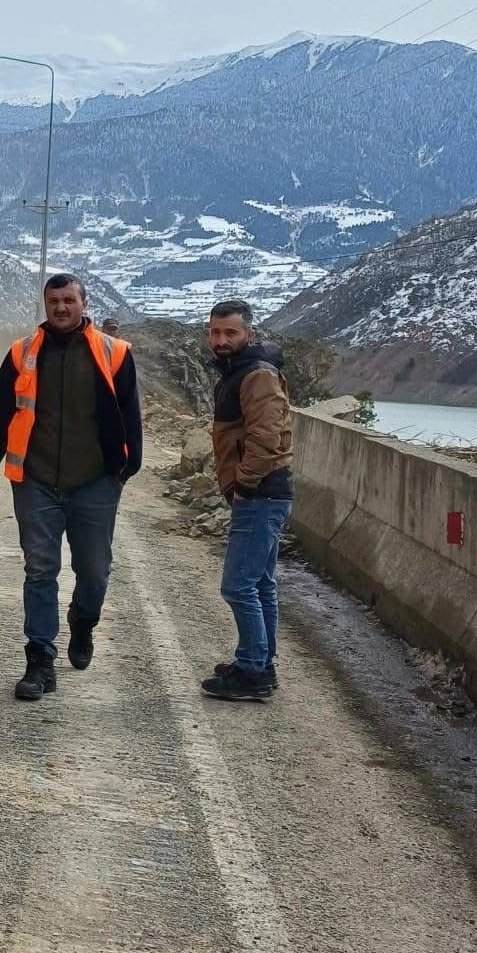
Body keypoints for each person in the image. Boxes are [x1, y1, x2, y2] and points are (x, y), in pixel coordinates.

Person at [0, 274, 143, 700]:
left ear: (84, 303)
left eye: (69, 300)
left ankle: (83, 622)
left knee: (94, 572)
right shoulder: (23, 353)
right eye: (54, 301)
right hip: (37, 481)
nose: (61, 307)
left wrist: (126, 469)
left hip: (95, 483)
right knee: (40, 569)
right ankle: (39, 661)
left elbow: (130, 415)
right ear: (45, 305)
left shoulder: (115, 352)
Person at [202, 299, 293, 702]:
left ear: (249, 335)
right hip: (268, 492)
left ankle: (253, 670)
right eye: (215, 332)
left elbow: (266, 434)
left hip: (261, 494)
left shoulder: (257, 374)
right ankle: (260, 662)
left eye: (230, 332)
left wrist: (244, 483)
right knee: (260, 584)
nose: (220, 340)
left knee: (239, 586)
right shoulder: (241, 370)